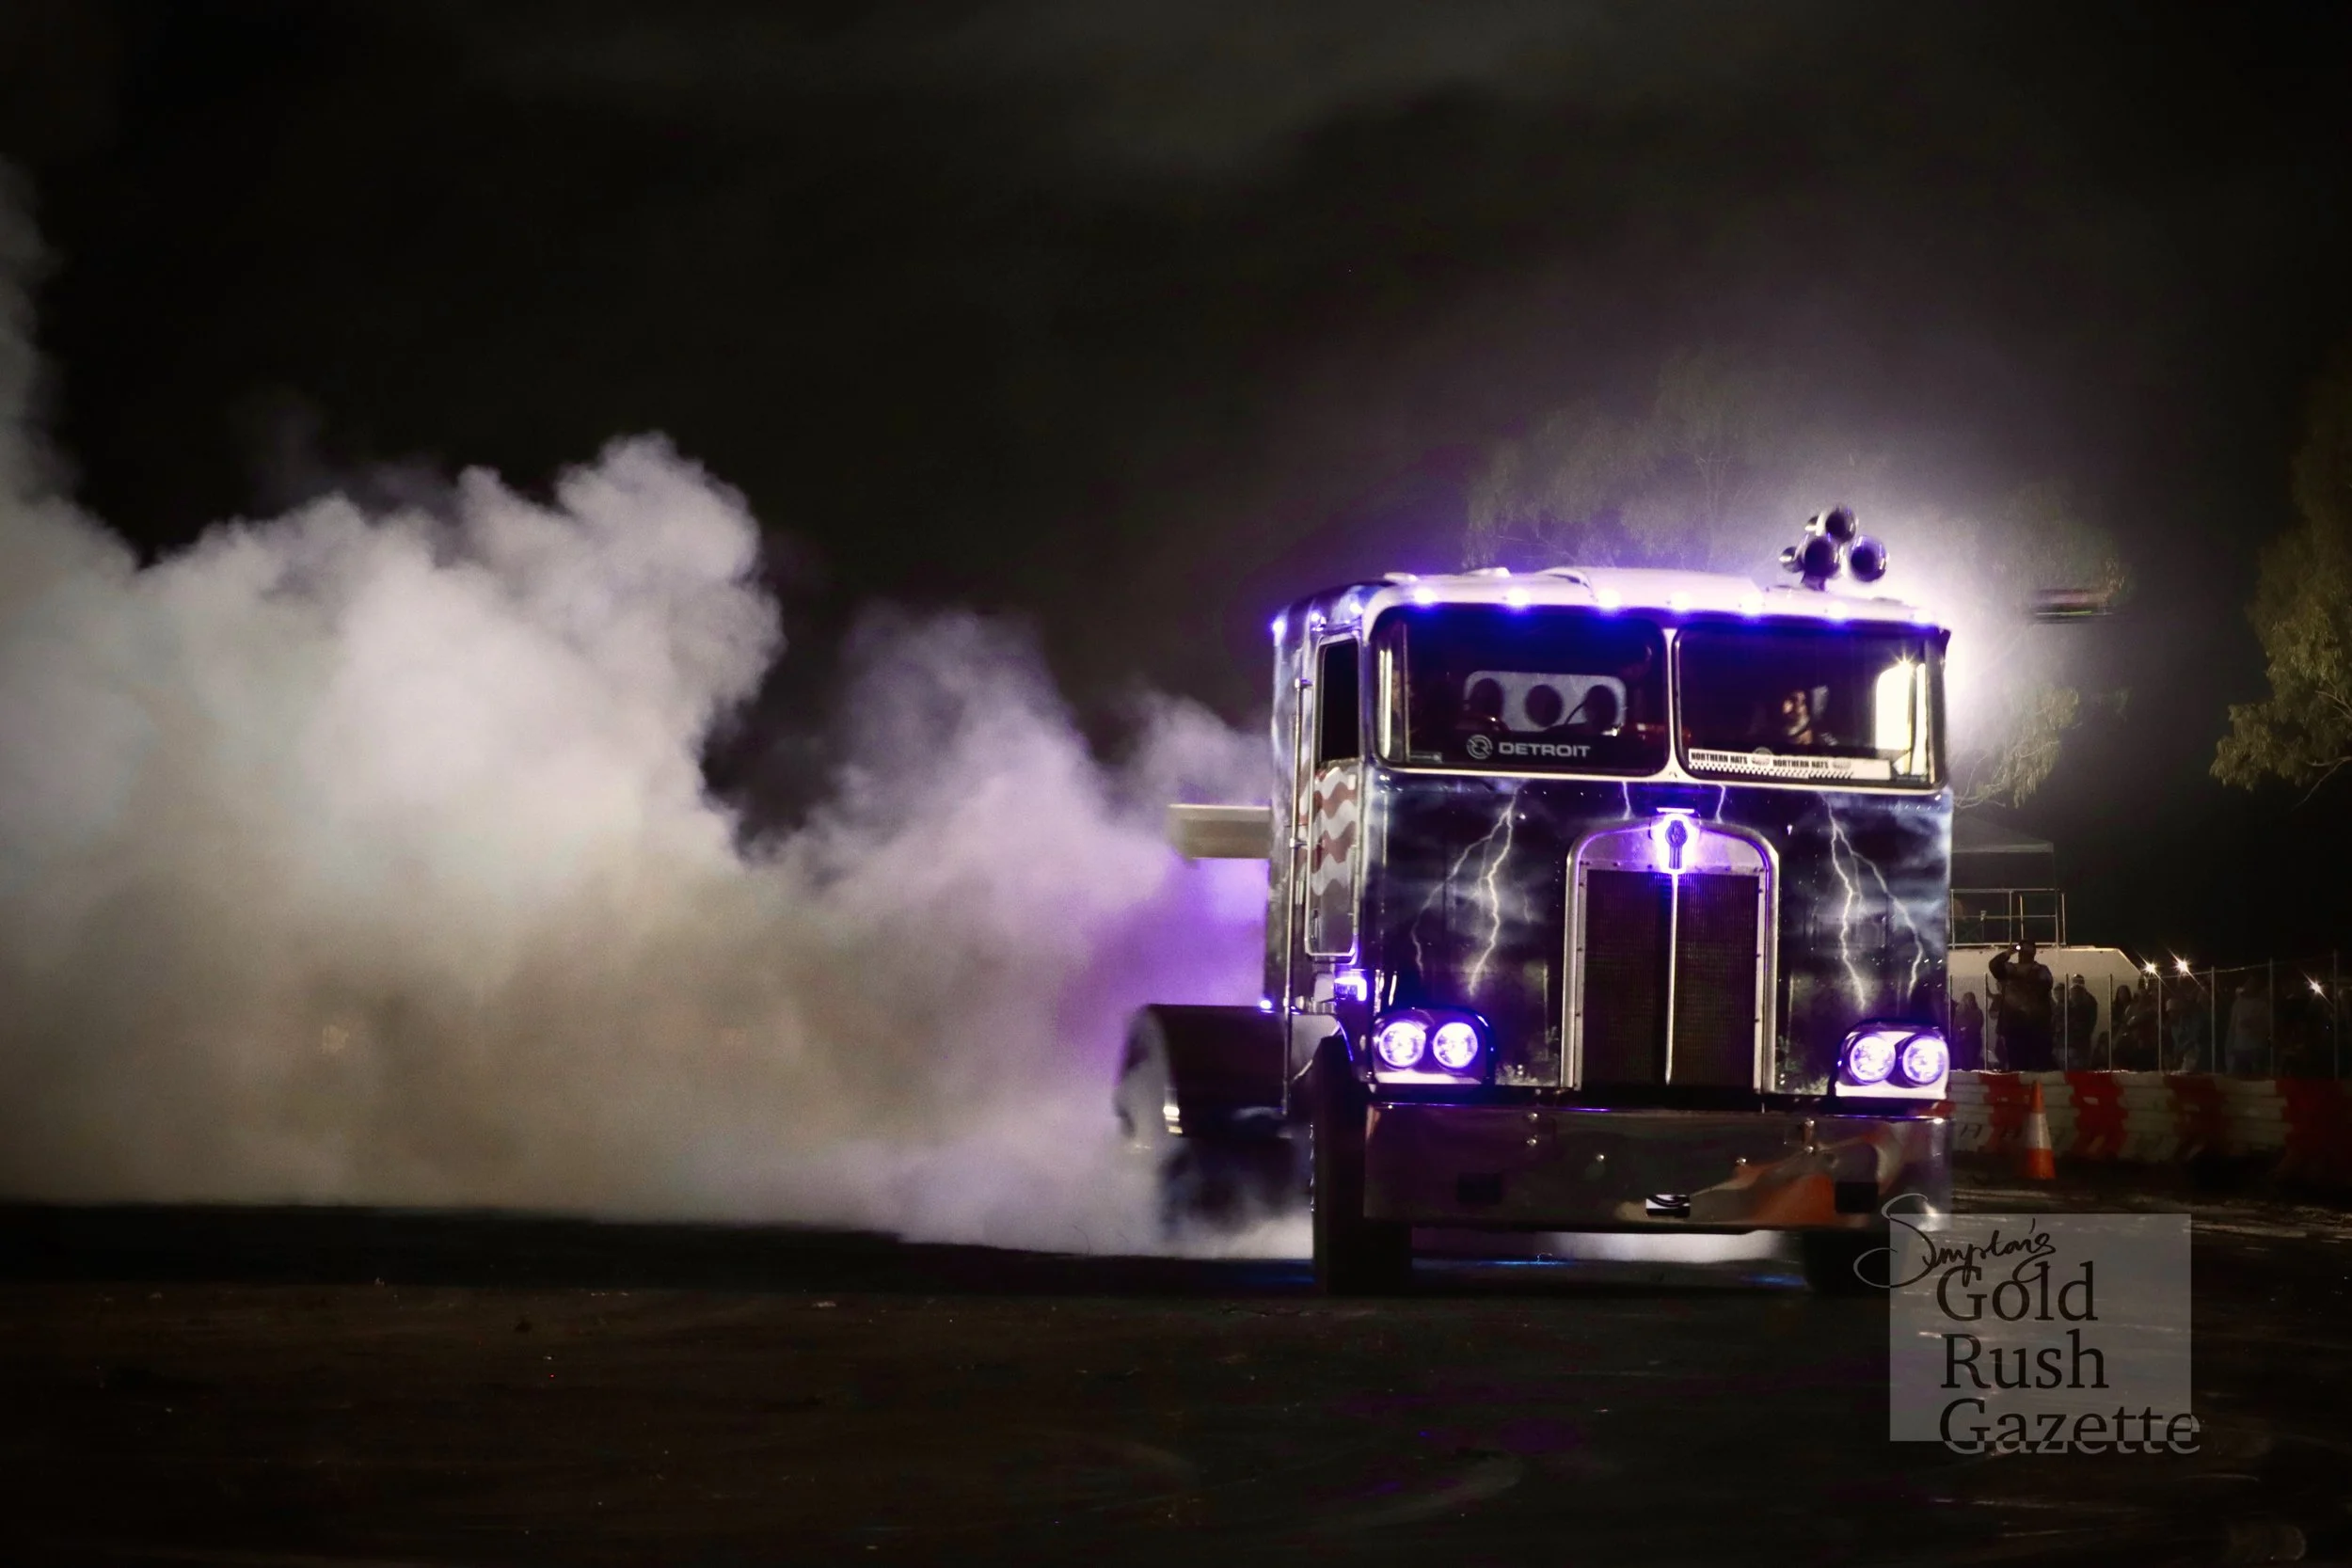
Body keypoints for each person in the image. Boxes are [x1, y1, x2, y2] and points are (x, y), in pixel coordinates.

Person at [1989, 940, 2057, 1072]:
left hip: (2037, 1028)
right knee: (2016, 1067)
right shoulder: (2010, 968)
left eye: (2026, 951)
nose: (2022, 955)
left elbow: (2045, 985)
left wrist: (2021, 979)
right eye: (2021, 952)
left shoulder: (2041, 970)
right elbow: (1994, 966)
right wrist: (2008, 953)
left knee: (2039, 1068)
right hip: (2014, 1028)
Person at [2062, 975, 2097, 1068]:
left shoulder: (2089, 1000)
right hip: (2070, 1036)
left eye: (2078, 981)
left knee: (2082, 1060)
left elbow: (2092, 1018)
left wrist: (2087, 1030)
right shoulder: (2068, 999)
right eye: (2075, 981)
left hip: (2083, 1035)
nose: (2076, 983)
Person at [1951, 991, 1985, 1071]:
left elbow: (1978, 1025)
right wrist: (1960, 1032)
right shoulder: (1959, 1012)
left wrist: (1967, 1030)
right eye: (1969, 999)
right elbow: (1955, 1026)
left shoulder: (1978, 1012)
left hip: (1972, 1041)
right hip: (1960, 1041)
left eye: (1972, 999)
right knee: (1961, 1063)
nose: (1970, 1001)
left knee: (1971, 1063)